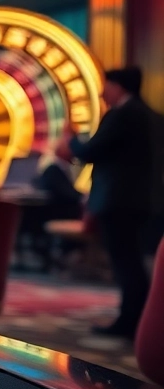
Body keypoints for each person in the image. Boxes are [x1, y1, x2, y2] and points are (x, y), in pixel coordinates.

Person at [60, 66, 164, 338]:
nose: (102, 92)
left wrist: (71, 140)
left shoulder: (122, 115)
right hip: (147, 201)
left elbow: (91, 151)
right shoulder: (154, 116)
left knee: (125, 262)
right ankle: (138, 321)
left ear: (118, 86)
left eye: (106, 85)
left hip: (118, 201)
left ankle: (129, 322)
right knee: (135, 260)